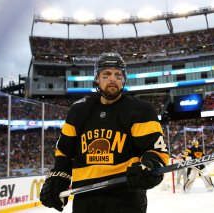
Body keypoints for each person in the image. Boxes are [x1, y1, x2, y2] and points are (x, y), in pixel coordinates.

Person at [39, 52, 170, 213]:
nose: (113, 79)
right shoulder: (78, 111)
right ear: (97, 79)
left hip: (126, 200)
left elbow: (157, 151)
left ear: (123, 79)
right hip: (85, 200)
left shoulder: (140, 110)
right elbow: (64, 152)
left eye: (118, 74)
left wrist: (149, 166)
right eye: (106, 74)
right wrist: (59, 176)